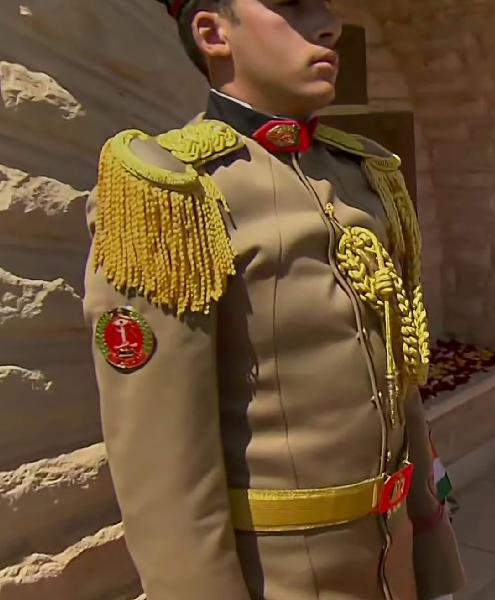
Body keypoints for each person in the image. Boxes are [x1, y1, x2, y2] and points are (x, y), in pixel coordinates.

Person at [81, 1, 465, 599]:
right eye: (291, 4)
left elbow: (401, 387)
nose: (328, 23)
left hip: (396, 566)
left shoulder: (362, 174)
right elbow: (167, 480)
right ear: (213, 33)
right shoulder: (174, 196)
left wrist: (434, 556)